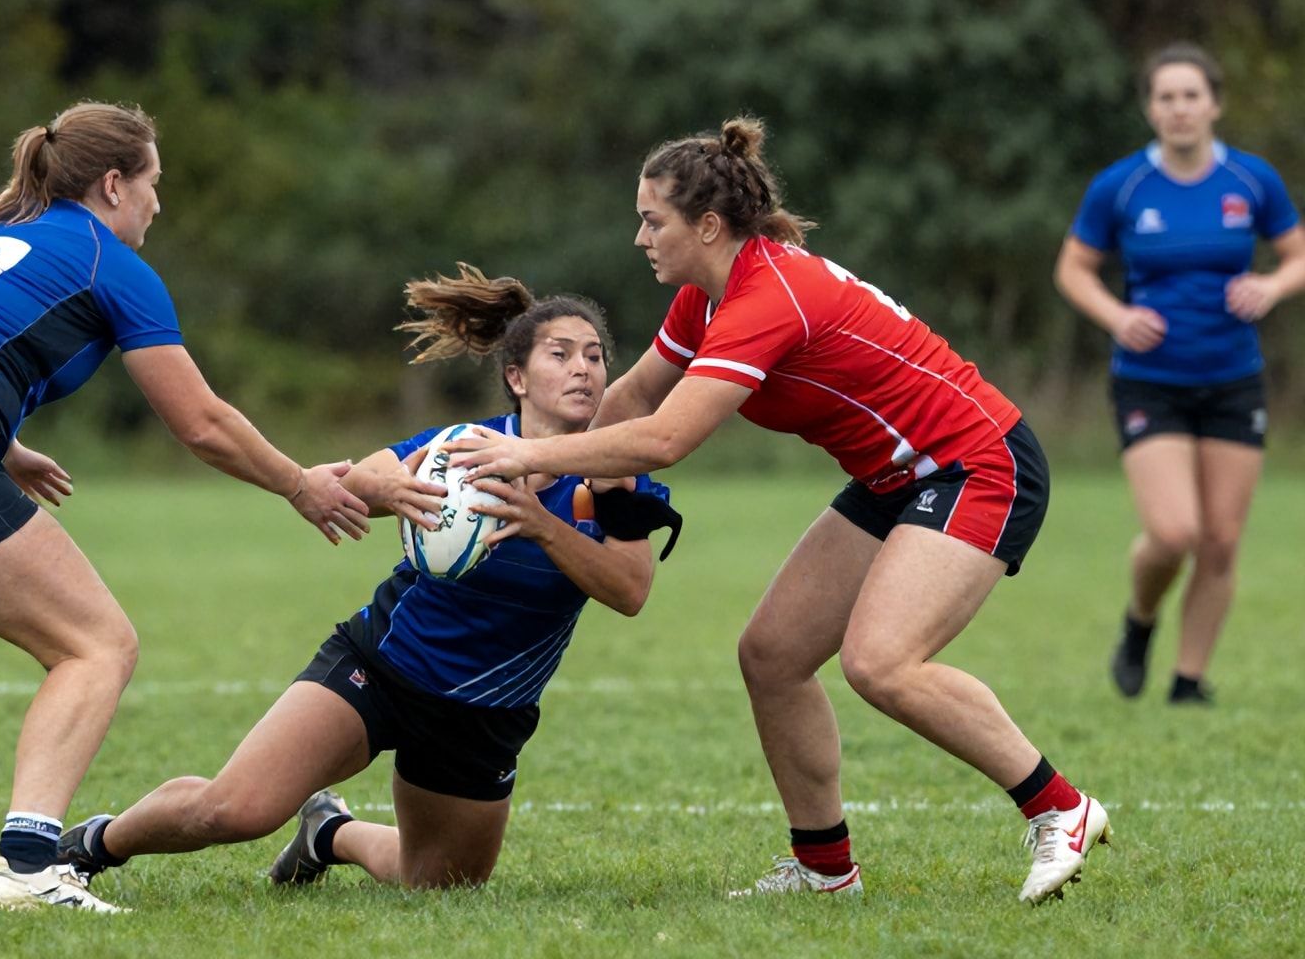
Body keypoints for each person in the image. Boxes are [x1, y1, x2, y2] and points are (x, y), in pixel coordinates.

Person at [451, 118, 1110, 904]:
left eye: (651, 219)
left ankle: (1059, 808)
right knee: (771, 654)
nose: (639, 238)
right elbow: (630, 400)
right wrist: (515, 456)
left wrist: (527, 461)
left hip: (976, 463)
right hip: (896, 477)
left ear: (706, 225)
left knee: (881, 662)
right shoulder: (708, 298)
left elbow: (662, 440)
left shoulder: (769, 297)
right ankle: (825, 868)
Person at [0, 101, 371, 912]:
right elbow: (201, 422)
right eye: (156, 183)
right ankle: (25, 868)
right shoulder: (108, 262)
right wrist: (300, 483)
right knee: (97, 645)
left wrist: (4, 445)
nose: (161, 203)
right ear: (115, 185)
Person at [51, 266, 678, 891]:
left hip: (487, 711)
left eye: (595, 357)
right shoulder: (460, 447)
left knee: (439, 884)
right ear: (517, 377)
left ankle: (329, 834)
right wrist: (379, 484)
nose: (583, 369)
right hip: (383, 667)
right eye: (561, 354)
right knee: (236, 809)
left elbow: (630, 591)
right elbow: (360, 484)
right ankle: (93, 843)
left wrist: (543, 526)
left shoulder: (615, 475)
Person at [1054, 42, 1305, 705]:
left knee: (1220, 542)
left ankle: (1188, 682)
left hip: (1233, 379)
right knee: (1174, 533)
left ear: (1215, 104)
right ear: (1150, 109)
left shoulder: (1252, 181)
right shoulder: (1122, 185)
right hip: (1148, 379)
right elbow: (1073, 270)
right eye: (1165, 97)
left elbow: (1297, 255)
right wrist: (1117, 315)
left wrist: (1273, 286)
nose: (1180, 108)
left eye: (1192, 95)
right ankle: (1139, 623)